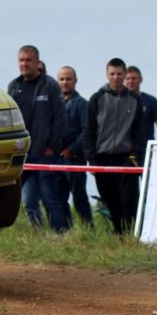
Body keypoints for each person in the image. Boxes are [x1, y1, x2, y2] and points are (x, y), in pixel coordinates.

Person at [7, 45, 70, 232]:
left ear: (37, 62)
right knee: (28, 201)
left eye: (28, 60)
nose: (24, 64)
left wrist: (53, 146)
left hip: (45, 154)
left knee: (51, 200)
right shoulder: (14, 86)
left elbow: (60, 117)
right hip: (23, 155)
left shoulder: (50, 85)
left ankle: (60, 235)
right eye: (21, 60)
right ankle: (38, 236)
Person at [83, 58, 144, 234]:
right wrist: (91, 160)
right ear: (107, 75)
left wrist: (136, 158)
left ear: (124, 74)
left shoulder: (135, 100)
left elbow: (139, 132)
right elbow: (89, 131)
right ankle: (118, 232)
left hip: (126, 157)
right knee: (110, 199)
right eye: (112, 74)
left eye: (119, 74)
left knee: (129, 199)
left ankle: (130, 234)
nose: (116, 77)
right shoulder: (97, 98)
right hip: (102, 158)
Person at [56, 65, 93, 225]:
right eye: (62, 79)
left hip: (75, 158)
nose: (65, 82)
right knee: (58, 198)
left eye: (68, 79)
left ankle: (88, 229)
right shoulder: (54, 103)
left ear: (75, 80)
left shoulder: (82, 104)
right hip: (56, 159)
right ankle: (65, 231)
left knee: (79, 198)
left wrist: (71, 149)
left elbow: (87, 131)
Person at [124, 66, 157, 151]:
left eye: (134, 78)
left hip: (145, 152)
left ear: (141, 79)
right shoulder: (118, 102)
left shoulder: (150, 101)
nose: (130, 81)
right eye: (127, 79)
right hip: (124, 152)